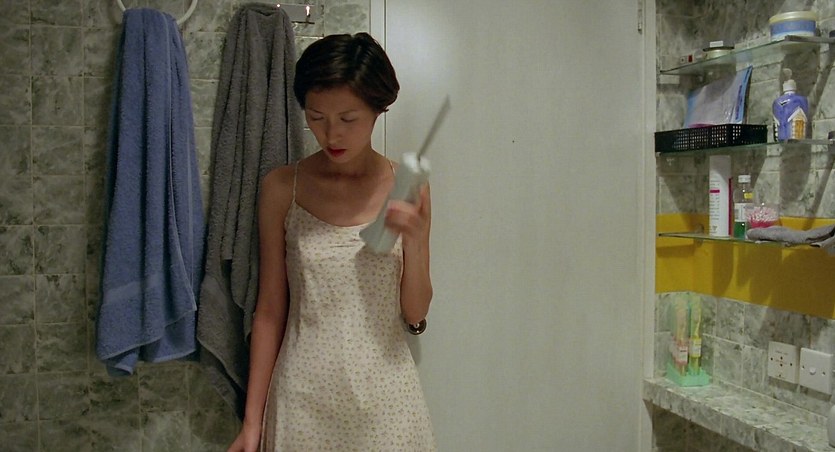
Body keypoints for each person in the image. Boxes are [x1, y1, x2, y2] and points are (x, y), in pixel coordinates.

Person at [227, 32, 436, 452]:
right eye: (317, 116)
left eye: (348, 118)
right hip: (302, 401)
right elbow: (269, 312)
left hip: (388, 402)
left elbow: (415, 312)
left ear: (378, 109)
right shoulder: (282, 187)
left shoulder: (407, 187)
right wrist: (252, 424)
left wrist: (413, 241)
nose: (331, 134)